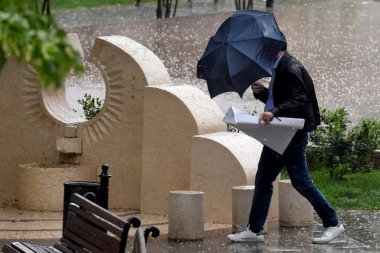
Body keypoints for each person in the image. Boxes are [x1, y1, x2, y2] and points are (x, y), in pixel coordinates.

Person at [227, 44, 345, 244]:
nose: (259, 55)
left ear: (273, 51)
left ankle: (333, 223)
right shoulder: (279, 68)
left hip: (292, 134)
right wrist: (261, 92)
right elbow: (281, 98)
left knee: (301, 181)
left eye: (262, 51)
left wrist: (274, 112)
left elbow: (300, 99)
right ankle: (255, 230)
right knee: (264, 178)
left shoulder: (290, 68)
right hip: (278, 133)